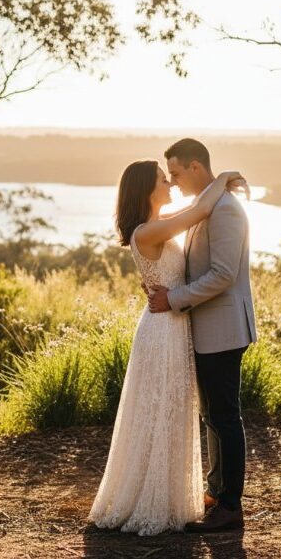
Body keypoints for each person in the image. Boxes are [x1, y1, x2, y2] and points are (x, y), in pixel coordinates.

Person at [88, 156, 249, 535]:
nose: (170, 184)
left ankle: (177, 493)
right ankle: (151, 496)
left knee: (175, 412)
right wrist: (224, 176)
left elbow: (195, 213)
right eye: (164, 179)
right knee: (161, 412)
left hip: (174, 325)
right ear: (147, 189)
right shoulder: (147, 231)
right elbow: (200, 209)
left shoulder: (157, 225)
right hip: (162, 331)